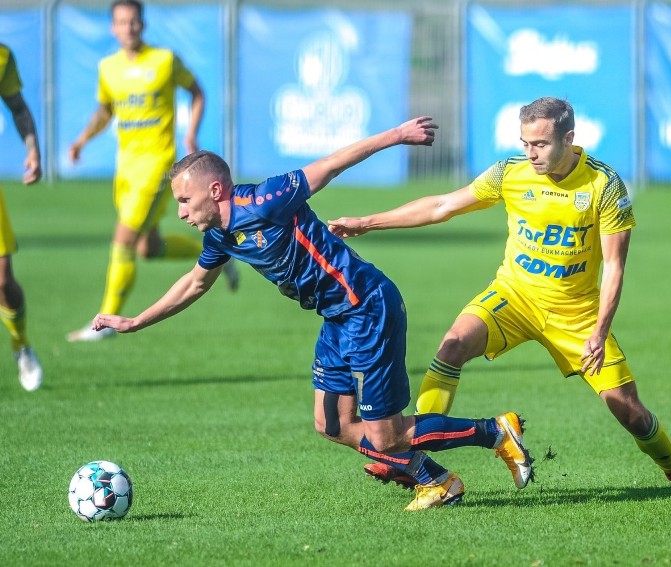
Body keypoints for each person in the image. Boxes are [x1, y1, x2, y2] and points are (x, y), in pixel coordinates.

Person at [90, 116, 534, 511]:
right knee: (332, 424)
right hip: (337, 319)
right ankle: (436, 480)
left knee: (387, 436)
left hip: (368, 307)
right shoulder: (220, 237)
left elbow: (333, 163)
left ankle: (495, 432)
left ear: (215, 189)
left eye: (185, 201)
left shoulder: (267, 200)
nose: (182, 212)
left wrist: (396, 135)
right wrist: (133, 321)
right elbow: (193, 283)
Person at [329, 97, 671, 490]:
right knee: (451, 346)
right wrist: (368, 222)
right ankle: (408, 459)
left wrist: (600, 331)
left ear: (568, 139)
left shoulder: (604, 185)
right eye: (524, 143)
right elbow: (442, 206)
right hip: (513, 296)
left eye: (540, 144)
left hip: (576, 314)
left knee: (629, 411)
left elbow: (615, 267)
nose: (530, 153)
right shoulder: (510, 173)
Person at [67, 0, 238, 342]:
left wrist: (190, 132)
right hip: (126, 169)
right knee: (149, 248)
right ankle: (222, 252)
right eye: (121, 22)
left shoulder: (164, 60)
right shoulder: (108, 68)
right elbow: (104, 111)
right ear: (112, 28)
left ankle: (105, 324)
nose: (128, 28)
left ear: (142, 25)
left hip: (157, 167)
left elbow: (197, 91)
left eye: (133, 22)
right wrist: (82, 140)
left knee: (123, 239)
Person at [0, 43, 43, 391]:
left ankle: (21, 346)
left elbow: (17, 107)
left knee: (2, 280)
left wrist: (32, 148)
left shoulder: (3, 55)